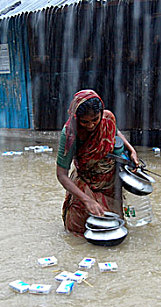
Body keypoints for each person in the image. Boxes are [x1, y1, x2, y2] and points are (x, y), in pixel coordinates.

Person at [56, 89, 139, 235]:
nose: (91, 125)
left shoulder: (107, 118)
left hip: (110, 179)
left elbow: (115, 132)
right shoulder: (70, 133)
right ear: (77, 118)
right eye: (85, 122)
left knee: (113, 225)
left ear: (101, 113)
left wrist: (131, 149)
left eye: (95, 119)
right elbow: (61, 175)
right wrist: (87, 200)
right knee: (79, 229)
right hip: (85, 180)